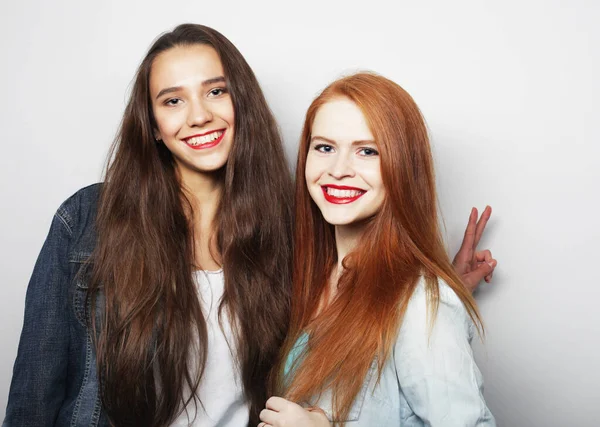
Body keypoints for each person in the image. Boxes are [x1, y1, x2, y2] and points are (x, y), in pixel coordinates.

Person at [4, 25, 495, 427]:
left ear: (241, 100)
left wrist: (433, 293)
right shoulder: (86, 223)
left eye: (216, 91)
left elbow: (361, 312)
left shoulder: (290, 225)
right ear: (151, 123)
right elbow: (33, 398)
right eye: (172, 101)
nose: (199, 116)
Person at [259, 73, 496, 427]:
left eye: (367, 151)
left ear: (403, 166)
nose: (338, 170)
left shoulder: (423, 305)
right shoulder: (310, 276)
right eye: (324, 147)